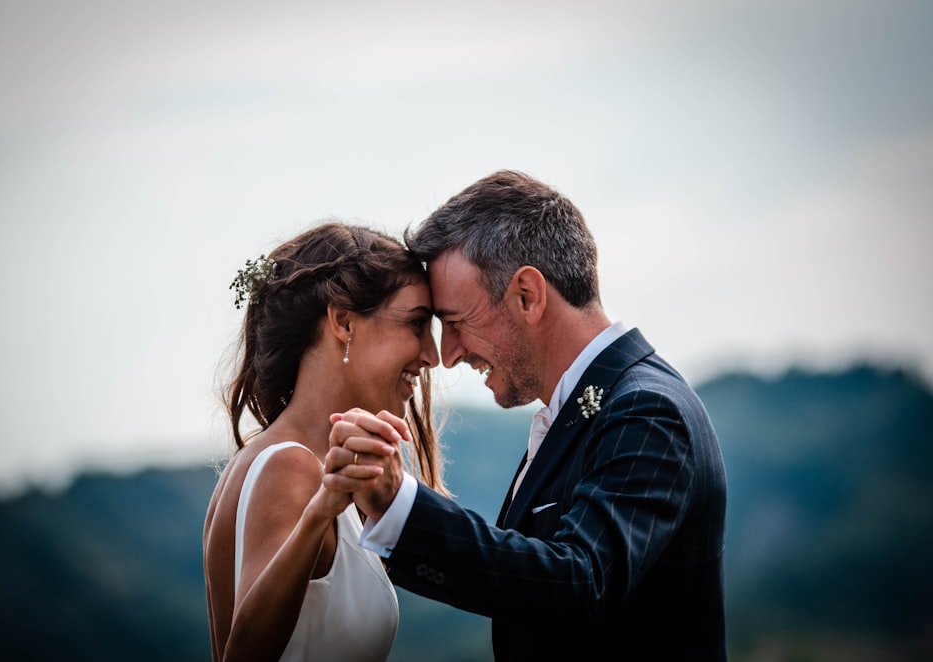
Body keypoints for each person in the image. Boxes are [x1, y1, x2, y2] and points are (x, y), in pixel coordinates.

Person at [325, 171, 728, 660]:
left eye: (455, 322)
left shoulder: (647, 409)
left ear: (527, 296)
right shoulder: (584, 408)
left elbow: (578, 583)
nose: (447, 355)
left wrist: (399, 504)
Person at [203, 221, 446, 661]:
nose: (433, 355)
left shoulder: (288, 460)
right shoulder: (291, 468)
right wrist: (318, 514)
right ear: (343, 322)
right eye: (416, 324)